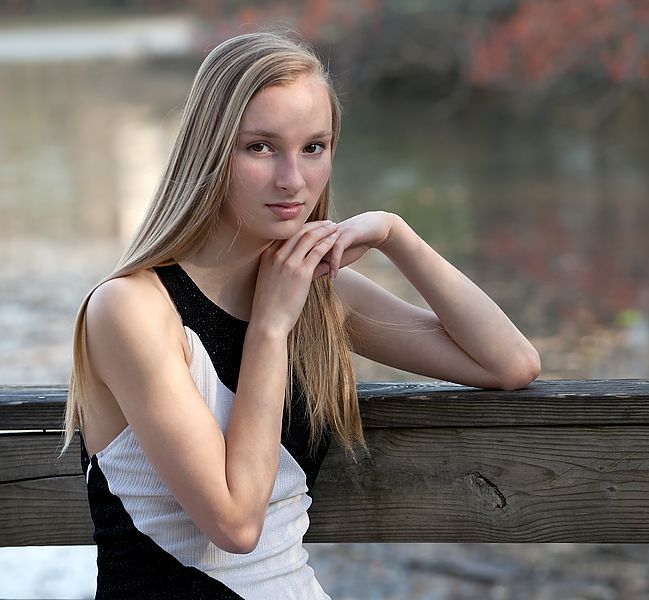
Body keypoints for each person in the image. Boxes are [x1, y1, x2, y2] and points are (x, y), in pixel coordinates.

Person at [60, 30, 541, 600]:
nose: (293, 179)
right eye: (260, 147)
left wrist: (395, 234)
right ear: (209, 152)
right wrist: (269, 326)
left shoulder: (313, 292)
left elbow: (510, 364)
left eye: (314, 147)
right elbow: (235, 525)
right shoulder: (132, 308)